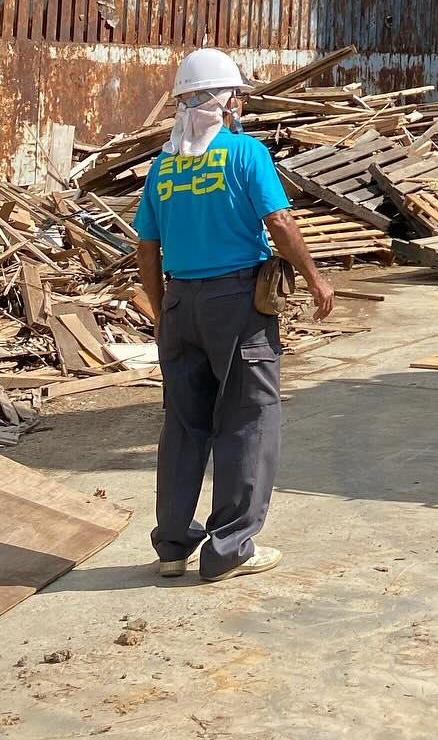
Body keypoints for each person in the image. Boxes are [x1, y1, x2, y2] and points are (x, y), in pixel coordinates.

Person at [133, 48, 334, 583]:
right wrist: (315, 279)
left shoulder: (163, 167)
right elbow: (281, 223)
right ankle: (230, 548)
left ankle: (173, 546)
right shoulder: (245, 155)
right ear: (227, 102)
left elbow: (146, 248)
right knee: (248, 419)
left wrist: (161, 311)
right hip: (236, 304)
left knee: (183, 424)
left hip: (179, 302)